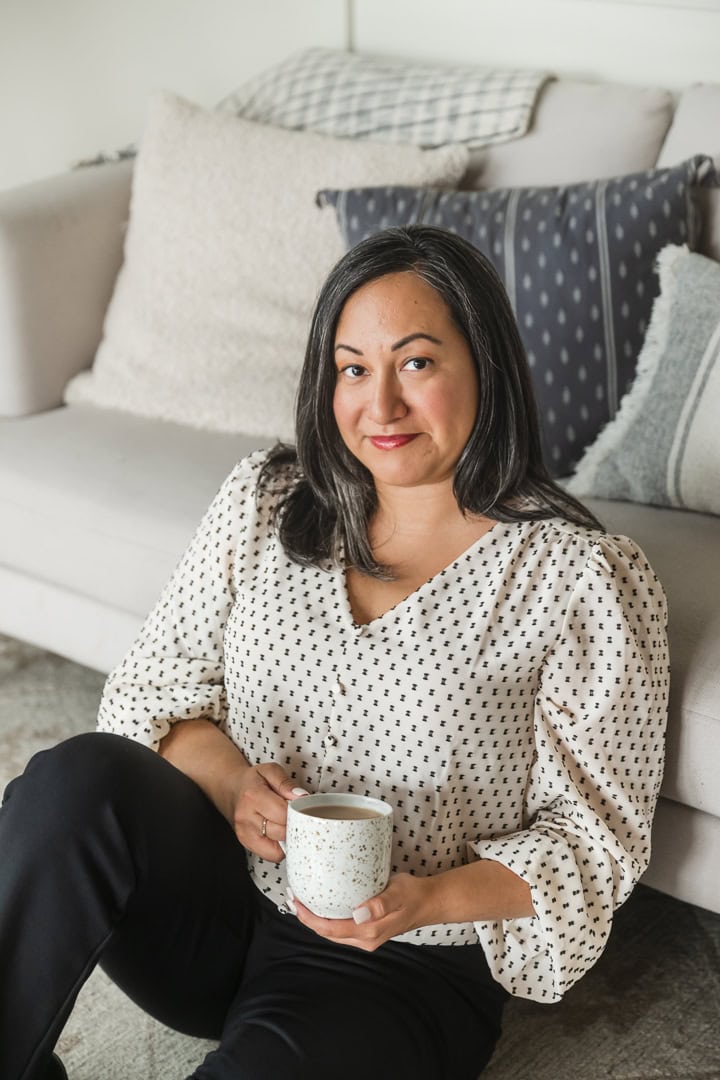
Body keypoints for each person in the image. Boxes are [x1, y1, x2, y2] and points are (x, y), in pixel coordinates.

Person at [0, 225, 669, 1080]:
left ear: (486, 367)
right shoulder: (268, 498)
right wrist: (235, 785)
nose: (379, 405)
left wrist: (419, 901)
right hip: (224, 910)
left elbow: (593, 845)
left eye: (416, 363)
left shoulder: (582, 578)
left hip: (401, 968)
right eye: (354, 368)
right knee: (73, 780)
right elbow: (150, 695)